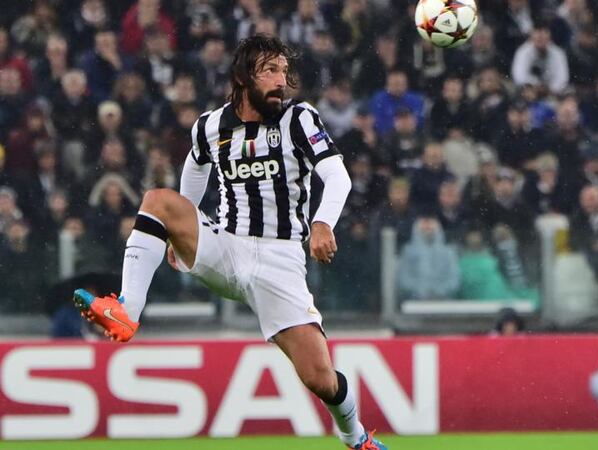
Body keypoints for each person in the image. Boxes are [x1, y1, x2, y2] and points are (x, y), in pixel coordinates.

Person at [72, 35, 388, 450]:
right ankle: (126, 311)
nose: (281, 81)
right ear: (243, 77)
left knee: (320, 378)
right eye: (270, 71)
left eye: (284, 72)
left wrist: (323, 223)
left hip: (281, 259)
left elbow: (337, 176)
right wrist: (178, 228)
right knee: (156, 201)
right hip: (227, 245)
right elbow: (194, 172)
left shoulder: (299, 119)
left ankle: (356, 438)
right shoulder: (209, 126)